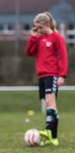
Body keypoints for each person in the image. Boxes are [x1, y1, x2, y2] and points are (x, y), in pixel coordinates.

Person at [26, 12, 68, 146]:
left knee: (50, 102)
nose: (38, 30)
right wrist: (33, 37)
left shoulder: (57, 38)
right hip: (42, 76)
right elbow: (29, 52)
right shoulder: (39, 38)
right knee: (51, 106)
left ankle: (49, 130)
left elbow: (63, 57)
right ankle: (53, 138)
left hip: (53, 74)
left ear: (47, 25)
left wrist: (62, 75)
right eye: (36, 28)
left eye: (39, 27)